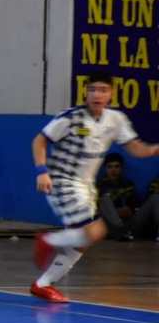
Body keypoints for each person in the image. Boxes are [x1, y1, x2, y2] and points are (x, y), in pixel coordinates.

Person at [31, 71, 159, 302]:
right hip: (62, 181)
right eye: (92, 90)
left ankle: (43, 284)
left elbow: (135, 149)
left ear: (110, 94)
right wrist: (42, 172)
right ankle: (48, 241)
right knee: (97, 230)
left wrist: (154, 149)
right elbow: (39, 141)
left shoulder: (116, 120)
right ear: (85, 92)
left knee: (82, 242)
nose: (96, 95)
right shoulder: (71, 118)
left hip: (87, 187)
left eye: (102, 90)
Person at [95, 152, 137, 240]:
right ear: (105, 168)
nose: (113, 170)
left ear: (121, 168)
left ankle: (120, 231)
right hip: (106, 224)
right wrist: (115, 211)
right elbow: (96, 213)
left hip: (127, 223)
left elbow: (129, 211)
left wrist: (110, 212)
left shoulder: (127, 185)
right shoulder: (99, 185)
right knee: (105, 199)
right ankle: (120, 231)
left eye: (116, 166)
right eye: (109, 167)